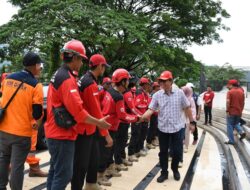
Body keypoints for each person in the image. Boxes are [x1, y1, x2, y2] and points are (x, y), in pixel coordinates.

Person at [44, 40, 111, 190]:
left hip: (54, 132)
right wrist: (100, 123)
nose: (82, 63)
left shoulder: (60, 74)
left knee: (55, 172)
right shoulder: (67, 80)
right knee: (63, 176)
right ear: (74, 58)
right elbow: (79, 113)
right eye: (81, 59)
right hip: (62, 135)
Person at [141, 70, 196, 183]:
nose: (162, 83)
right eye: (161, 81)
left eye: (165, 81)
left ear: (171, 81)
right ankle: (164, 172)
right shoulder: (157, 95)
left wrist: (192, 122)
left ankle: (175, 169)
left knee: (177, 151)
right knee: (163, 152)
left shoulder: (180, 93)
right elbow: (151, 109)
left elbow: (187, 107)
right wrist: (142, 117)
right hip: (163, 129)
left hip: (177, 128)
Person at [0, 52, 44, 190]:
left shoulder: (7, 79)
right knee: (17, 166)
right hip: (22, 133)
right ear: (35, 66)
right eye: (40, 65)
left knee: (3, 160)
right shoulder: (36, 85)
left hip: (3, 128)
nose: (40, 68)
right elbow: (37, 113)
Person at [71, 54, 113, 190]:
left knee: (94, 157)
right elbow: (96, 111)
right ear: (100, 66)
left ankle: (91, 183)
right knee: (81, 165)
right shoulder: (90, 84)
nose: (104, 70)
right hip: (84, 128)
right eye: (104, 67)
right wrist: (106, 134)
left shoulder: (87, 79)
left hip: (89, 126)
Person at [98, 68, 139, 185]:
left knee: (108, 151)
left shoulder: (110, 91)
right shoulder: (118, 96)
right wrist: (137, 118)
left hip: (105, 125)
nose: (128, 83)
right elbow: (123, 116)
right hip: (109, 128)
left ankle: (108, 169)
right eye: (127, 80)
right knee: (105, 153)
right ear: (122, 81)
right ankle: (99, 176)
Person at [128, 77, 150, 160]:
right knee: (135, 135)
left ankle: (138, 149)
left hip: (143, 118)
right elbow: (136, 105)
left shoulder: (144, 93)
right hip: (137, 117)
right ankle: (131, 153)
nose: (148, 86)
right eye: (147, 84)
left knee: (142, 135)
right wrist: (145, 109)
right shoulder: (139, 92)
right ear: (144, 85)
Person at [225, 79, 245, 145]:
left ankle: (231, 140)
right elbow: (243, 103)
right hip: (239, 112)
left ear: (232, 85)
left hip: (231, 112)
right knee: (236, 123)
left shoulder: (230, 92)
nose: (228, 86)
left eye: (229, 85)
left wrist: (227, 110)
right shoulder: (241, 92)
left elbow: (228, 102)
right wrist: (241, 110)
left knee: (230, 125)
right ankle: (241, 131)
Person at [146, 82, 160, 149]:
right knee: (152, 128)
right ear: (155, 87)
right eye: (158, 86)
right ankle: (149, 142)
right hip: (153, 113)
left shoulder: (156, 94)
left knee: (154, 128)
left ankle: (152, 140)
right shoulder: (153, 94)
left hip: (156, 113)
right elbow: (151, 105)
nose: (159, 87)